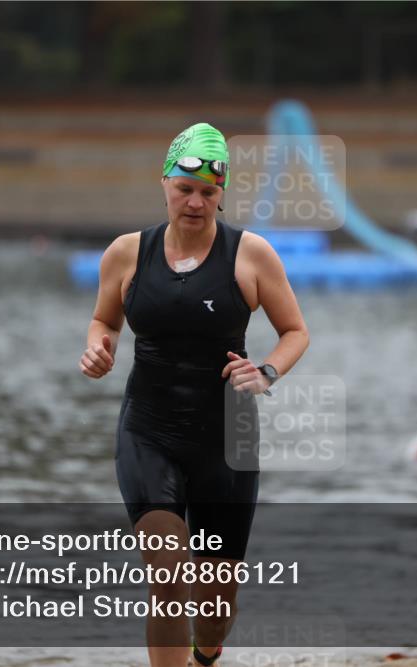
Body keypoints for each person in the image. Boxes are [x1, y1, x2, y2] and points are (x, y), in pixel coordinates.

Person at [79, 122, 309, 667]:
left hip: (228, 437)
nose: (195, 202)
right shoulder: (126, 253)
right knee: (169, 576)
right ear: (164, 182)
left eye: (208, 192)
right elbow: (102, 320)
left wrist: (267, 372)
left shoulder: (251, 255)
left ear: (221, 193)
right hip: (148, 429)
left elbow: (295, 332)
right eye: (185, 189)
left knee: (213, 603)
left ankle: (207, 653)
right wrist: (97, 349)